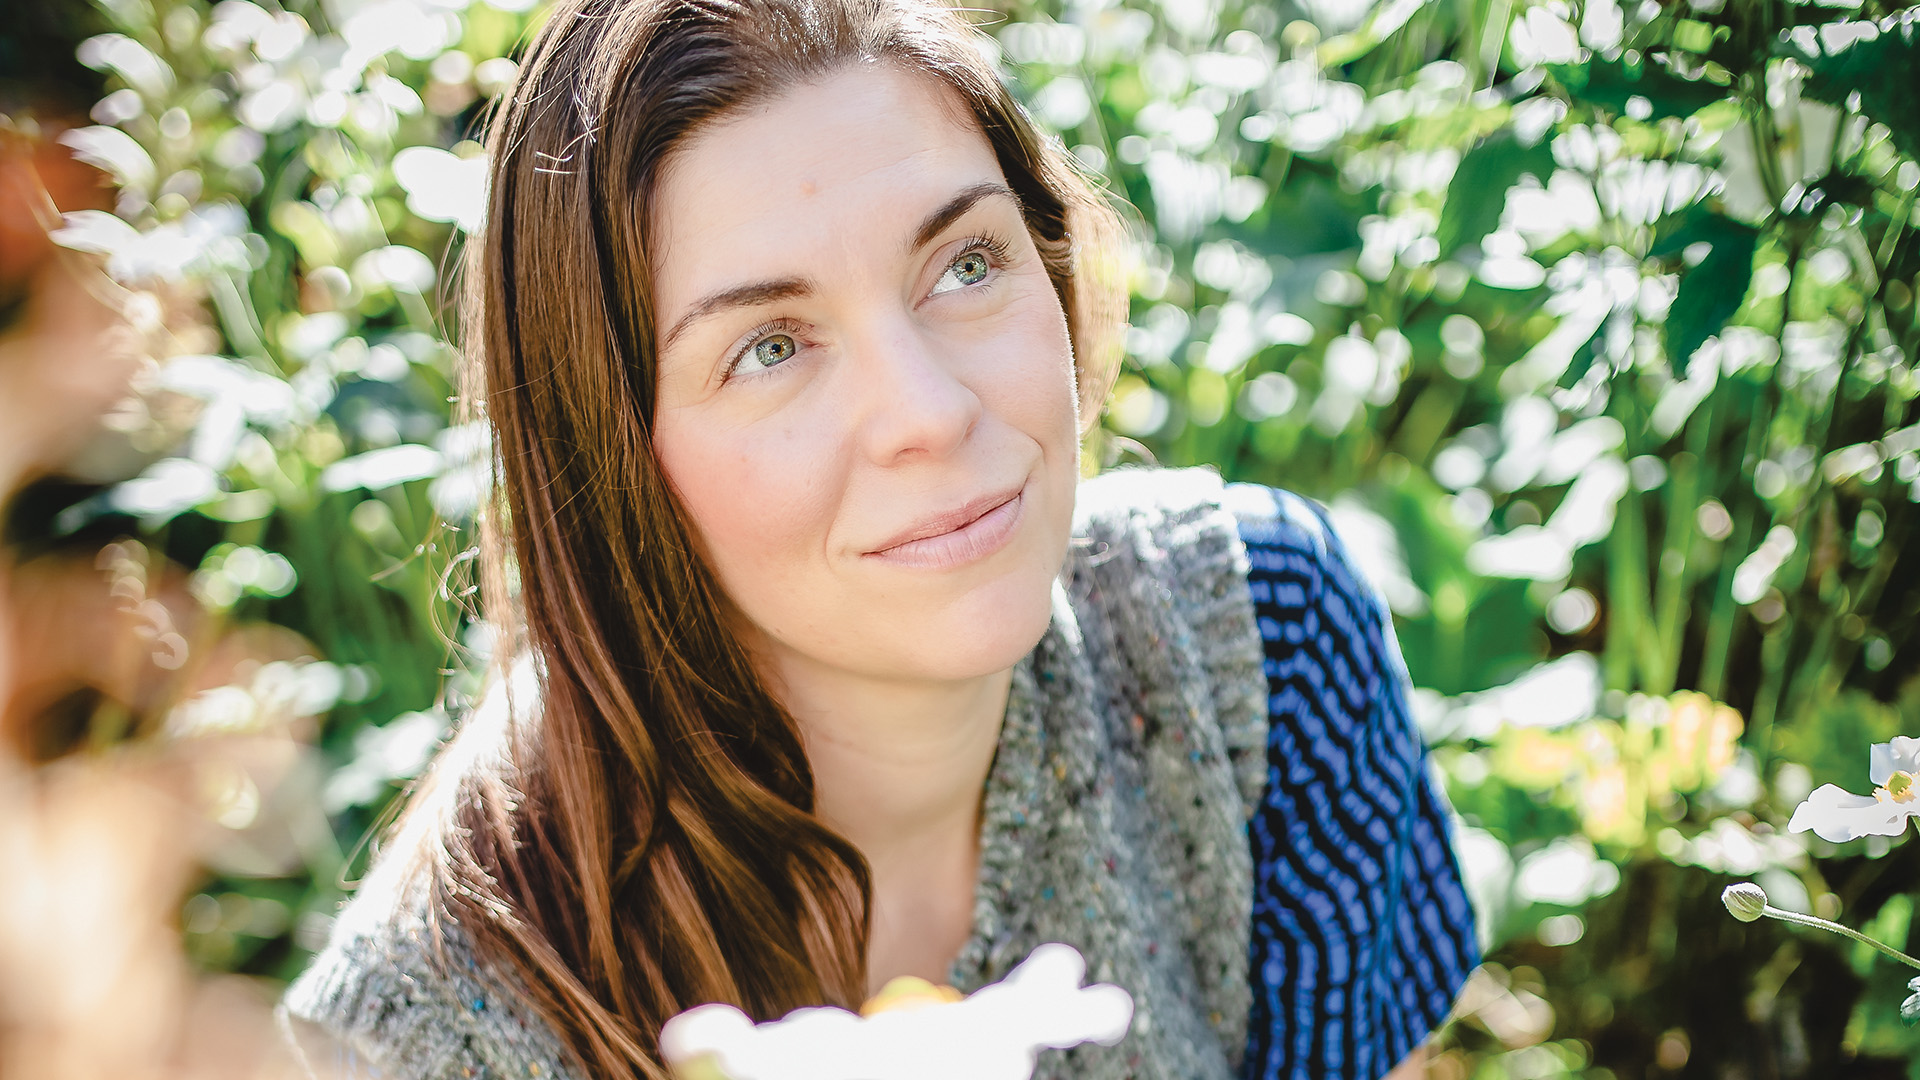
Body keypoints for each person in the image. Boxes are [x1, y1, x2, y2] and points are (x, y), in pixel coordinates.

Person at [282, 0, 1479, 1077]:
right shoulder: (440, 1028)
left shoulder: (1260, 650)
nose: (928, 411)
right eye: (768, 348)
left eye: (965, 264)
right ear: (610, 466)